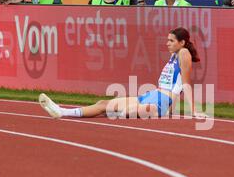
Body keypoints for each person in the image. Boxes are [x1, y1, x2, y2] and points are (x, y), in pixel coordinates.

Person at [39, 27, 207, 119]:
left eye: (171, 41)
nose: (167, 43)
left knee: (127, 112)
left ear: (182, 42)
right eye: (167, 39)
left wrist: (193, 110)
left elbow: (186, 84)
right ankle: (62, 111)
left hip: (162, 100)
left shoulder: (184, 53)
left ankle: (154, 113)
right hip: (151, 95)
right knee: (104, 103)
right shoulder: (173, 55)